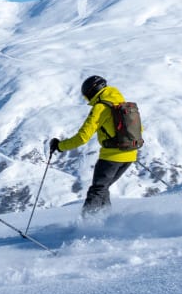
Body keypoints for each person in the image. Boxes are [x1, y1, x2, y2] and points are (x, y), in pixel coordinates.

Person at [50, 76, 138, 216]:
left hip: (111, 157)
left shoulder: (100, 107)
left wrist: (60, 146)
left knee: (97, 189)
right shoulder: (121, 102)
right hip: (130, 154)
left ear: (91, 92)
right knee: (103, 188)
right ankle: (106, 220)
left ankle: (86, 224)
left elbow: (82, 137)